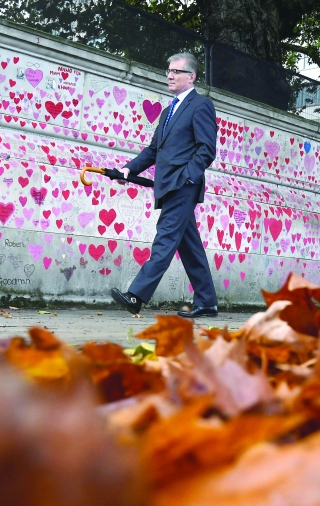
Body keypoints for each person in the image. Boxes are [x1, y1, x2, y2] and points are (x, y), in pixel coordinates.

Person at [110, 52, 219, 319]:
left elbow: (207, 149)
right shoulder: (168, 112)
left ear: (191, 76)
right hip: (168, 187)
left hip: (182, 187)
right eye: (168, 70)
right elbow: (153, 150)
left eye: (176, 71)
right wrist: (128, 169)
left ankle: (136, 296)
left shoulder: (200, 105)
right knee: (189, 246)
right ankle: (207, 302)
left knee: (165, 239)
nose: (169, 75)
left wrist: (188, 177)